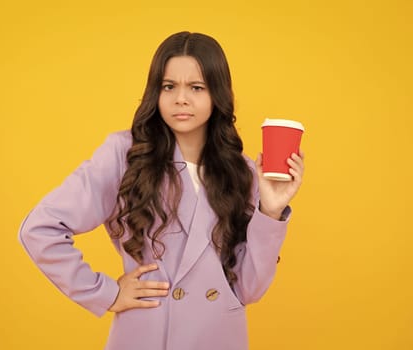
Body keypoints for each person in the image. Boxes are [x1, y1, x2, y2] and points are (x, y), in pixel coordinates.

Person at [18, 31, 304, 350]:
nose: (181, 98)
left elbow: (248, 289)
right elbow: (39, 228)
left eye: (196, 87)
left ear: (217, 95)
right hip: (148, 337)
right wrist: (106, 292)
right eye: (169, 86)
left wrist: (272, 211)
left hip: (219, 337)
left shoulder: (244, 171)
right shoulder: (125, 154)